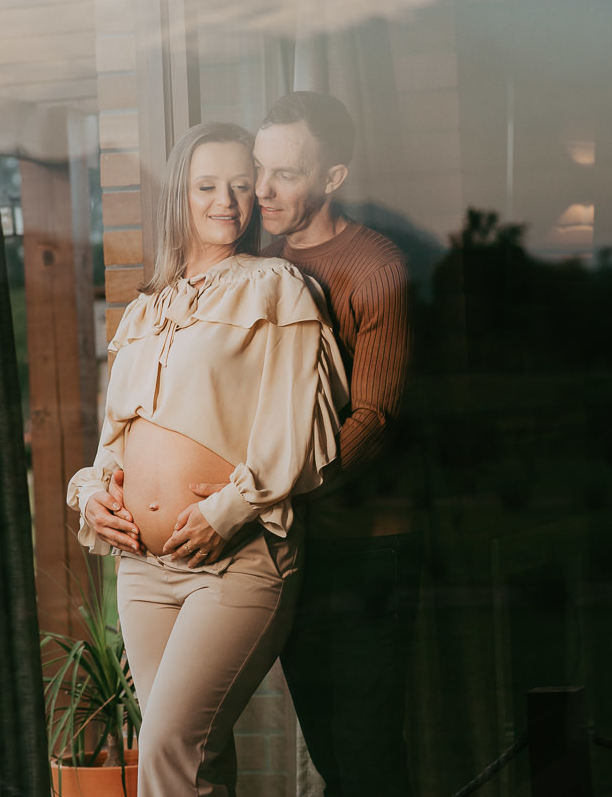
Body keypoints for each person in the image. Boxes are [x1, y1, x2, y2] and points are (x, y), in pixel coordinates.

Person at [66, 121, 349, 797]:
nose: (226, 199)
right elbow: (114, 441)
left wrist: (228, 510)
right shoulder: (143, 313)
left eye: (241, 186)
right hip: (141, 568)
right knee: (197, 759)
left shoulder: (278, 287)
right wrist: (94, 495)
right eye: (206, 186)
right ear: (180, 198)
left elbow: (305, 435)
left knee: (169, 746)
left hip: (235, 562)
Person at [199, 91, 418, 796]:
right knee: (327, 741)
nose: (260, 191)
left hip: (363, 543)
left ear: (332, 177)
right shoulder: (250, 259)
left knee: (367, 748)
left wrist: (262, 489)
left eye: (285, 174)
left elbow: (375, 421)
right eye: (257, 169)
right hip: (282, 540)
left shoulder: (377, 268)